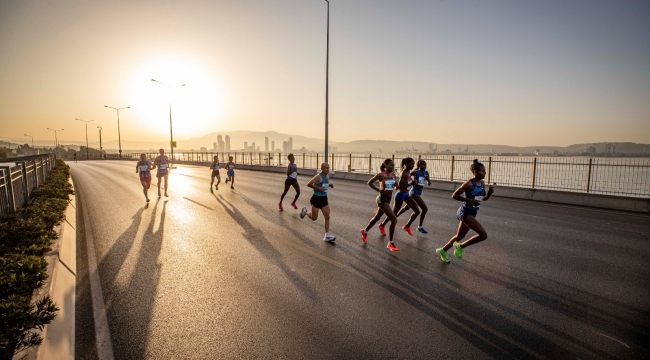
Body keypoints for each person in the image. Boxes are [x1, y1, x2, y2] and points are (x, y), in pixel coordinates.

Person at [436, 159, 495, 263]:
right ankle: (461, 246)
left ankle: (443, 250)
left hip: (473, 212)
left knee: (460, 236)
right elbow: (454, 195)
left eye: (485, 171)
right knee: (483, 235)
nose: (485, 173)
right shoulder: (469, 184)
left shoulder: (482, 183)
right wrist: (470, 200)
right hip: (465, 212)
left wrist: (489, 194)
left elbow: (483, 198)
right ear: (475, 172)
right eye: (482, 171)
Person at [360, 158, 400, 251]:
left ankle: (365, 231)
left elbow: (395, 184)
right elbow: (369, 182)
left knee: (377, 218)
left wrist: (396, 186)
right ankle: (391, 243)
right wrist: (378, 190)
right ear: (385, 165)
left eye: (393, 165)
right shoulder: (381, 175)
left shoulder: (393, 175)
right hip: (382, 199)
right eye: (390, 165)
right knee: (394, 220)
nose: (392, 167)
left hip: (389, 199)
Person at [378, 157, 420, 236]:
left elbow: (408, 183)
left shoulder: (408, 173)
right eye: (411, 164)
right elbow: (400, 186)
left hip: (407, 194)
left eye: (413, 164)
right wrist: (411, 183)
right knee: (394, 214)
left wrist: (413, 182)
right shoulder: (404, 173)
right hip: (400, 195)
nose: (412, 166)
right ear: (406, 164)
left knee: (417, 211)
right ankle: (382, 225)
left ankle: (407, 226)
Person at [392, 159, 431, 234]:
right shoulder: (416, 172)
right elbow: (408, 177)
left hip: (419, 192)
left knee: (406, 208)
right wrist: (412, 182)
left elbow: (429, 182)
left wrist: (428, 180)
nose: (424, 166)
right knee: (424, 209)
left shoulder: (426, 173)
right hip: (413, 192)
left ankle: (397, 218)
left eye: (425, 165)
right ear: (418, 166)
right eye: (422, 165)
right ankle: (419, 226)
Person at [300, 162, 335, 242]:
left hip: (324, 199)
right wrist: (318, 189)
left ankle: (327, 235)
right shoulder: (318, 176)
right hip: (316, 198)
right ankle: (305, 212)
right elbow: (308, 184)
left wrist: (329, 185)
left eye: (328, 168)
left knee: (327, 216)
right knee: (314, 218)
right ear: (321, 169)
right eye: (326, 168)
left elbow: (323, 184)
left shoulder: (327, 176)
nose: (327, 169)